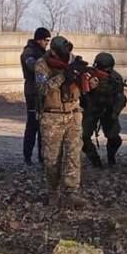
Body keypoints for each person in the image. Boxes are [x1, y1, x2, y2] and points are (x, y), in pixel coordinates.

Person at [34, 35, 88, 208]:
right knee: (52, 159)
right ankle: (53, 193)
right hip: (52, 116)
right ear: (53, 52)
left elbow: (83, 87)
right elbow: (42, 88)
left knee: (73, 155)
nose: (66, 56)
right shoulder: (42, 64)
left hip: (73, 113)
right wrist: (64, 76)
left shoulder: (73, 60)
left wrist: (89, 81)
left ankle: (72, 192)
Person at [81, 52, 127, 168]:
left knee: (114, 137)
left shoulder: (115, 78)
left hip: (108, 109)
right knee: (83, 136)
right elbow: (82, 92)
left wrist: (114, 112)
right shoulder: (89, 74)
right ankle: (95, 160)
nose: (107, 72)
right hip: (92, 108)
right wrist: (89, 86)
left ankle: (111, 157)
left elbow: (120, 98)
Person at [20, 27, 51, 165]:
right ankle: (27, 156)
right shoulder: (29, 51)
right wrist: (46, 62)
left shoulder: (42, 52)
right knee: (33, 124)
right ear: (39, 39)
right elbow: (32, 66)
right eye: (46, 40)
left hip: (42, 91)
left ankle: (41, 157)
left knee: (42, 126)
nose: (47, 43)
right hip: (33, 92)